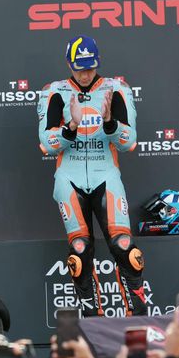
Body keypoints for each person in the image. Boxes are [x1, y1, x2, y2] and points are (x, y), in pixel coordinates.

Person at [37, 35, 146, 317]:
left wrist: (110, 122)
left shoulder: (117, 89)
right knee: (79, 249)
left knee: (124, 246)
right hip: (69, 178)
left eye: (90, 67)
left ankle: (139, 317)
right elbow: (47, 143)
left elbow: (129, 142)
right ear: (69, 64)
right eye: (79, 68)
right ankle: (91, 319)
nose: (85, 74)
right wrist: (72, 125)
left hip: (105, 175)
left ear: (97, 63)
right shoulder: (54, 92)